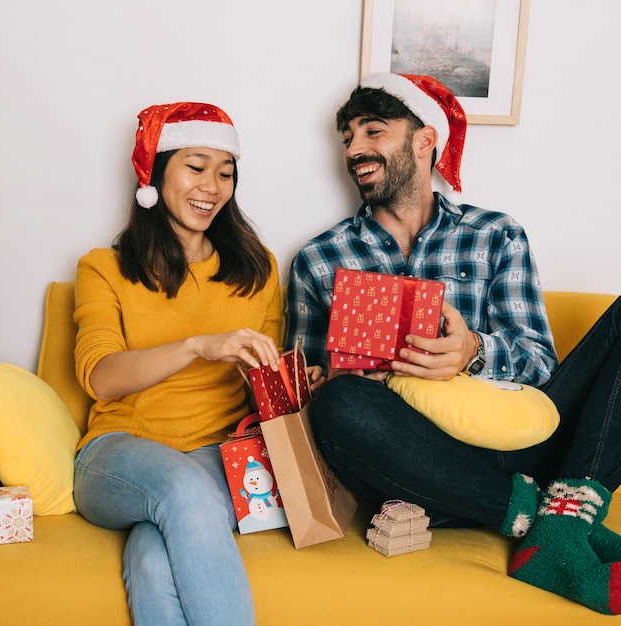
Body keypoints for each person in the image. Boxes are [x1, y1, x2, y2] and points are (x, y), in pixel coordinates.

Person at [285, 73, 621, 614]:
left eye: (374, 131)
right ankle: (550, 519)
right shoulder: (319, 259)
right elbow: (300, 396)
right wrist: (324, 382)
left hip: (515, 446)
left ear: (424, 142)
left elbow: (540, 366)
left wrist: (475, 352)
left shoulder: (497, 235)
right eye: (347, 137)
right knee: (340, 405)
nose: (355, 149)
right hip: (413, 468)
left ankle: (555, 518)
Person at [73, 101, 323, 626]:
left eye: (225, 172)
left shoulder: (257, 269)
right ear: (156, 171)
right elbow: (101, 378)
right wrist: (196, 346)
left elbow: (264, 386)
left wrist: (289, 380)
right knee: (183, 490)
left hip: (220, 451)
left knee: (150, 551)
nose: (212, 185)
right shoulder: (104, 268)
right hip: (117, 453)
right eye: (196, 165)